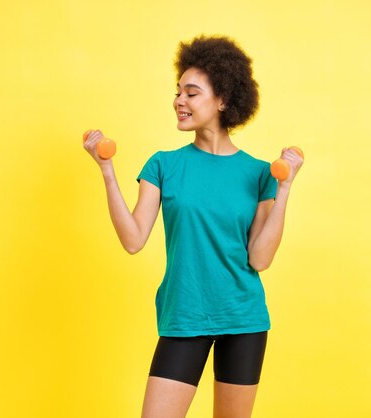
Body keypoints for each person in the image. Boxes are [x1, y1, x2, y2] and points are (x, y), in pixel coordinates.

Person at [83, 34, 303, 418]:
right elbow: (133, 240)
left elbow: (260, 258)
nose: (179, 101)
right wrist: (106, 170)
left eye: (191, 93)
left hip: (243, 317)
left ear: (223, 100)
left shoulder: (258, 174)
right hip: (185, 314)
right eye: (177, 92)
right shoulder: (163, 165)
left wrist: (284, 188)